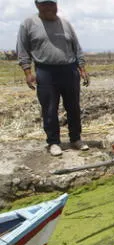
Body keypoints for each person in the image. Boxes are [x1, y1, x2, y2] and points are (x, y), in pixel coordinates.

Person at [17, 0, 90, 156]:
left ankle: (75, 139)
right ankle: (53, 142)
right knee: (49, 109)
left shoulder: (65, 23)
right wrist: (28, 72)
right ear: (37, 5)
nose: (50, 7)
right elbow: (22, 50)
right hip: (46, 71)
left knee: (74, 108)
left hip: (69, 70)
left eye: (52, 4)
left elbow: (76, 48)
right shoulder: (28, 24)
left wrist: (82, 68)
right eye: (45, 4)